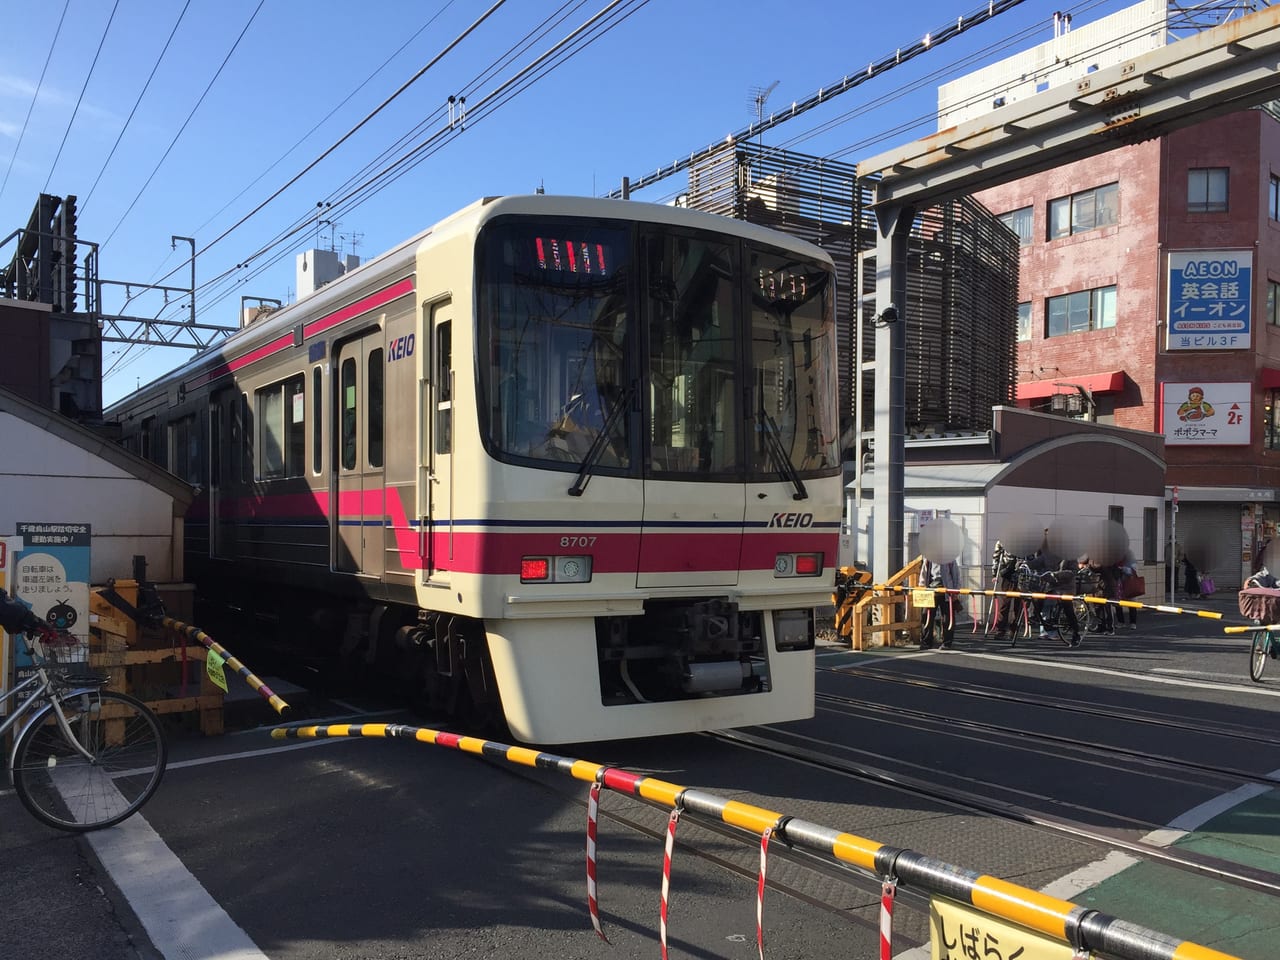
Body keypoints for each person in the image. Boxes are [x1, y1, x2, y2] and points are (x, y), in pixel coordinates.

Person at [919, 556, 959, 649]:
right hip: (931, 590)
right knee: (926, 616)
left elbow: (956, 575)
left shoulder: (950, 558)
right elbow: (923, 574)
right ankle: (926, 642)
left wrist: (956, 591)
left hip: (947, 591)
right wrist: (922, 587)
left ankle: (947, 643)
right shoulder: (928, 558)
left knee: (947, 618)